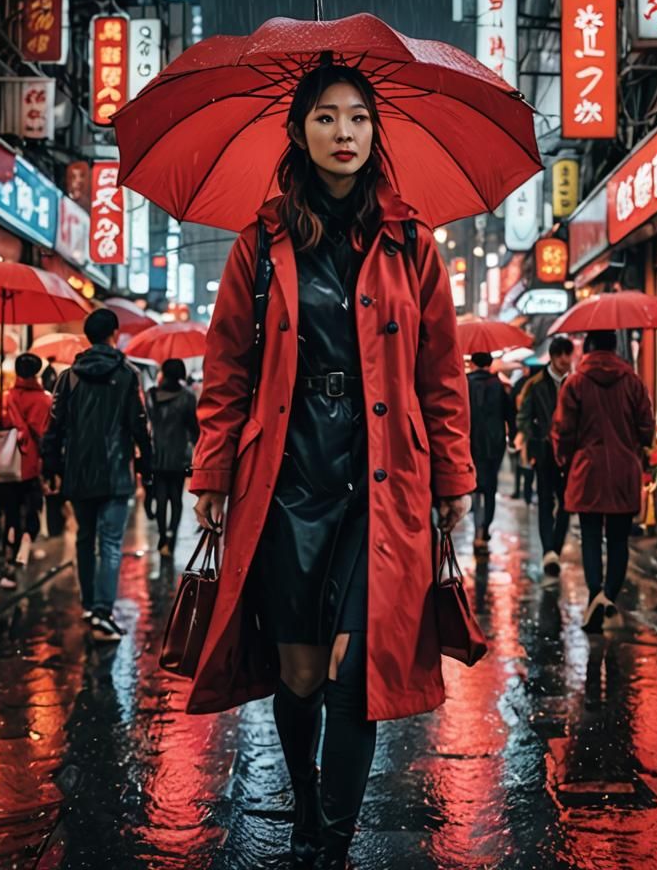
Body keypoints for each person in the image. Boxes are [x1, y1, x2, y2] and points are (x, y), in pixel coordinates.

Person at [188, 64, 474, 868]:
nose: (343, 134)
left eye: (357, 118)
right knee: (302, 671)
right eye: (325, 118)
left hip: (379, 480)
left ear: (377, 134)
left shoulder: (412, 243)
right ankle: (306, 804)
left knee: (357, 669)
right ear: (300, 132)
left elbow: (441, 373)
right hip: (285, 477)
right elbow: (226, 372)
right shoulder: (261, 241)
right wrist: (213, 473)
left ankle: (334, 845)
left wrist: (452, 478)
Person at [41, 309, 153, 643]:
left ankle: (90, 605)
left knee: (85, 539)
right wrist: (147, 465)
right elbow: (139, 424)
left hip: (78, 471)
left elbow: (54, 427)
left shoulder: (68, 376)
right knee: (111, 543)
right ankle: (103, 611)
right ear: (114, 334)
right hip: (116, 471)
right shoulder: (128, 374)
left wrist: (51, 467)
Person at [552, 330, 654, 634]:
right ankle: (609, 594)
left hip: (587, 469)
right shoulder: (633, 381)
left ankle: (595, 593)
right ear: (614, 348)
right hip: (624, 469)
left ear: (590, 349)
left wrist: (563, 460)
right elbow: (647, 429)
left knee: (591, 536)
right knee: (620, 539)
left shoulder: (575, 383)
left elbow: (562, 430)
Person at [516, 336, 576, 576]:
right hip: (544, 451)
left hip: (569, 453)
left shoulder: (575, 383)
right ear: (551, 357)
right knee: (545, 501)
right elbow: (524, 417)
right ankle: (548, 551)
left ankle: (555, 551)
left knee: (567, 503)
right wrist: (533, 442)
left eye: (567, 354)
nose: (564, 359)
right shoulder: (535, 384)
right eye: (560, 354)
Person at [0, 353, 52, 590]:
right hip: (32, 465)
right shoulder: (45, 400)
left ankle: (8, 559)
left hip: (7, 464)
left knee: (10, 514)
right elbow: (46, 435)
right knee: (32, 511)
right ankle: (24, 548)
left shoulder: (5, 397)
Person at [146, 358, 199, 557]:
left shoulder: (152, 395)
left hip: (157, 455)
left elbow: (149, 420)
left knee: (160, 499)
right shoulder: (187, 397)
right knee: (176, 499)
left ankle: (162, 538)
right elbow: (194, 428)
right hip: (178, 457)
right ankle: (172, 537)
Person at [466, 352, 514, 554]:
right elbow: (510, 414)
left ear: (474, 364)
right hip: (495, 444)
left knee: (474, 487)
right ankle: (485, 527)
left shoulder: (465, 384)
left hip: (470, 443)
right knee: (490, 487)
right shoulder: (498, 385)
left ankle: (478, 528)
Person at [509, 373, 535, 504]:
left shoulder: (523, 384)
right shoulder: (529, 384)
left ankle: (524, 492)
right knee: (525, 464)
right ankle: (526, 493)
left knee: (523, 464)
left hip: (524, 433)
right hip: (526, 434)